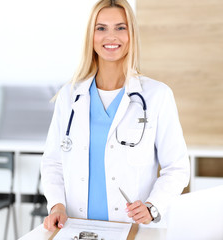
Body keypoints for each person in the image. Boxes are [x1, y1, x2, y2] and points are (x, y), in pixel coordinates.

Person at [40, 0, 190, 232]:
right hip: (76, 226)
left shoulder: (157, 95)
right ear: (91, 36)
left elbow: (177, 167)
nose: (111, 36)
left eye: (121, 27)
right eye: (101, 28)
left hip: (133, 228)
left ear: (132, 35)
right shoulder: (70, 96)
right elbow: (52, 162)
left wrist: (153, 206)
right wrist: (56, 205)